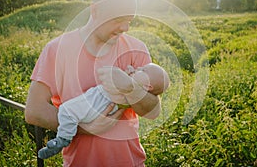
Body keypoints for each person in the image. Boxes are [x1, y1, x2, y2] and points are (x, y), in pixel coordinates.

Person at [25, 0, 162, 166]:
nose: (125, 28)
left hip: (131, 162)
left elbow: (154, 110)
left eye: (129, 20)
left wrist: (131, 88)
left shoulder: (136, 49)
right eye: (118, 20)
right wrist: (85, 129)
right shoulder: (57, 50)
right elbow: (34, 110)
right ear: (95, 10)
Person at [38, 63, 170, 159]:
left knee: (66, 111)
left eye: (143, 70)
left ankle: (62, 139)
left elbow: (153, 110)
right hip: (93, 108)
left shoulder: (134, 96)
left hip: (96, 105)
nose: (138, 68)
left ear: (148, 86)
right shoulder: (137, 87)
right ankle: (61, 139)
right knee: (67, 112)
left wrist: (127, 81)